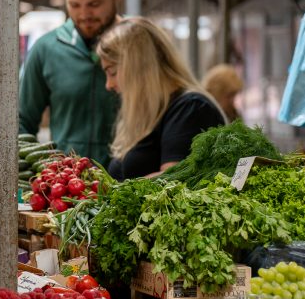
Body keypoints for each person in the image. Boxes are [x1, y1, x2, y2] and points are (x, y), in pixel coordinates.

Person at [18, 0, 123, 165]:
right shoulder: (46, 50)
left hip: (130, 188)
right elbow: (21, 123)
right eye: (74, 5)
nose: (84, 15)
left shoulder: (140, 45)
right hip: (65, 190)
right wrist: (37, 172)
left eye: (94, 4)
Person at [96, 17, 226, 180]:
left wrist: (112, 192)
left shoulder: (191, 109)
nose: (108, 84)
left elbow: (172, 184)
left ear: (136, 66)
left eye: (112, 72)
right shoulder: (151, 114)